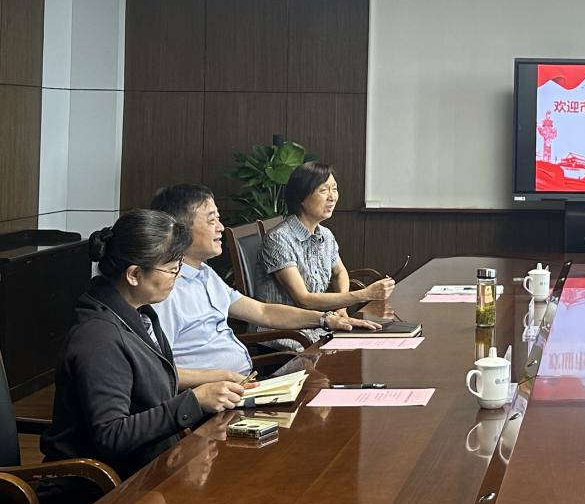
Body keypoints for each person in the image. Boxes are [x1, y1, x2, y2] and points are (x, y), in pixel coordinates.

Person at [42, 211, 246, 479]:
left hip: (149, 466)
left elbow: (149, 387)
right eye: (172, 269)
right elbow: (112, 435)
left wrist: (215, 383)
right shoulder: (98, 337)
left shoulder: (140, 314)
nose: (177, 277)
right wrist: (194, 402)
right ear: (134, 274)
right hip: (100, 487)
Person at [149, 184, 380, 376]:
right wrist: (220, 380)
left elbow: (263, 312)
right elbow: (157, 370)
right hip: (214, 398)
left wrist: (325, 320)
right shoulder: (164, 290)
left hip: (246, 383)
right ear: (179, 230)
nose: (221, 227)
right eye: (211, 220)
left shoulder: (204, 274)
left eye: (218, 218)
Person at [254, 162, 395, 343]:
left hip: (321, 324)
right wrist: (364, 294)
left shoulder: (325, 235)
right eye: (323, 190)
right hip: (286, 333)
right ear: (301, 197)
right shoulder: (279, 239)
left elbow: (340, 272)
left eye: (334, 189)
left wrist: (342, 308)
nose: (332, 197)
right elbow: (304, 300)